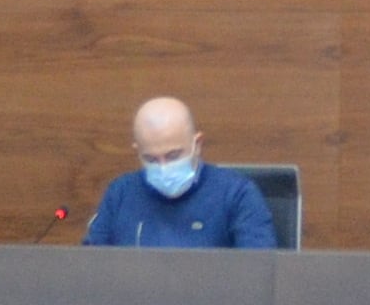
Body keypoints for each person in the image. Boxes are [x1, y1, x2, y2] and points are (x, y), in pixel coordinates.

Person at [83, 97, 277, 247]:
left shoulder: (237, 194)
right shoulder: (120, 194)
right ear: (138, 152)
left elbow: (259, 271)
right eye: (151, 159)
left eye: (173, 156)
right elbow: (90, 265)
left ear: (197, 144)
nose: (163, 167)